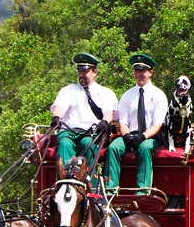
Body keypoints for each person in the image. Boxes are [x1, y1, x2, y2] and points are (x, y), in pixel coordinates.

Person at [106, 53, 168, 192]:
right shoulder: (127, 95)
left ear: (150, 72)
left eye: (142, 71)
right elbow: (123, 122)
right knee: (113, 148)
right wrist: (127, 136)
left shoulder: (159, 95)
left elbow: (158, 125)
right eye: (136, 71)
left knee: (144, 148)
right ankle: (110, 190)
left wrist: (142, 137)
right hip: (130, 134)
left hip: (151, 137)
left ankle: (143, 190)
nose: (139, 74)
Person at [49, 52, 118, 174]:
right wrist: (56, 117)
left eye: (85, 72)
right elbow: (60, 107)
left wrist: (105, 122)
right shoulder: (68, 90)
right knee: (64, 143)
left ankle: (88, 183)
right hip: (69, 132)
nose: (81, 75)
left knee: (87, 144)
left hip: (90, 133)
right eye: (79, 72)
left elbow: (109, 112)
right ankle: (65, 182)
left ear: (94, 72)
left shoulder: (105, 93)